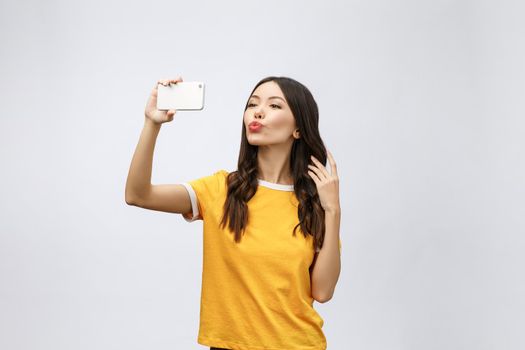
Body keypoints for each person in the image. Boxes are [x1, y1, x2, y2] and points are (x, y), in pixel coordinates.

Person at [125, 75, 342, 349]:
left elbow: (322, 292)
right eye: (253, 104)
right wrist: (151, 124)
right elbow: (137, 194)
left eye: (275, 106)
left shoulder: (315, 205)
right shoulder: (221, 189)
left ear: (298, 128)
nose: (258, 111)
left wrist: (332, 210)